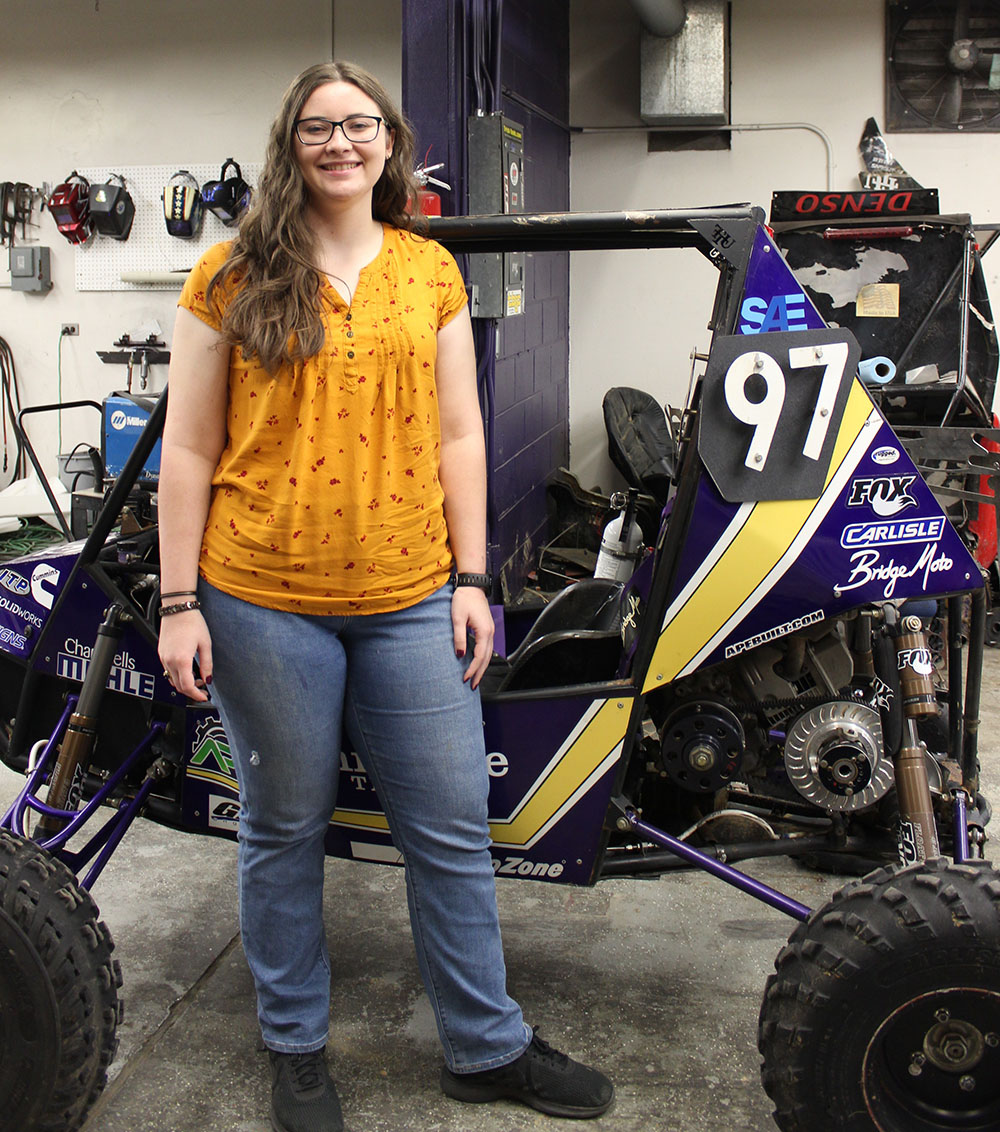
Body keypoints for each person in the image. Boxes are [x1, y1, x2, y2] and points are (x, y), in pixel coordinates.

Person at [157, 61, 613, 1132]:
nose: (341, 143)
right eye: (318, 127)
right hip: (262, 596)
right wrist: (181, 602)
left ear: (390, 143)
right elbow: (186, 448)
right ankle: (296, 1046)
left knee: (450, 826)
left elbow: (461, 435)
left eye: (359, 124)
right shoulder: (227, 278)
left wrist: (470, 576)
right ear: (291, 145)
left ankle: (484, 1044)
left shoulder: (430, 271)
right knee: (283, 825)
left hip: (411, 593)